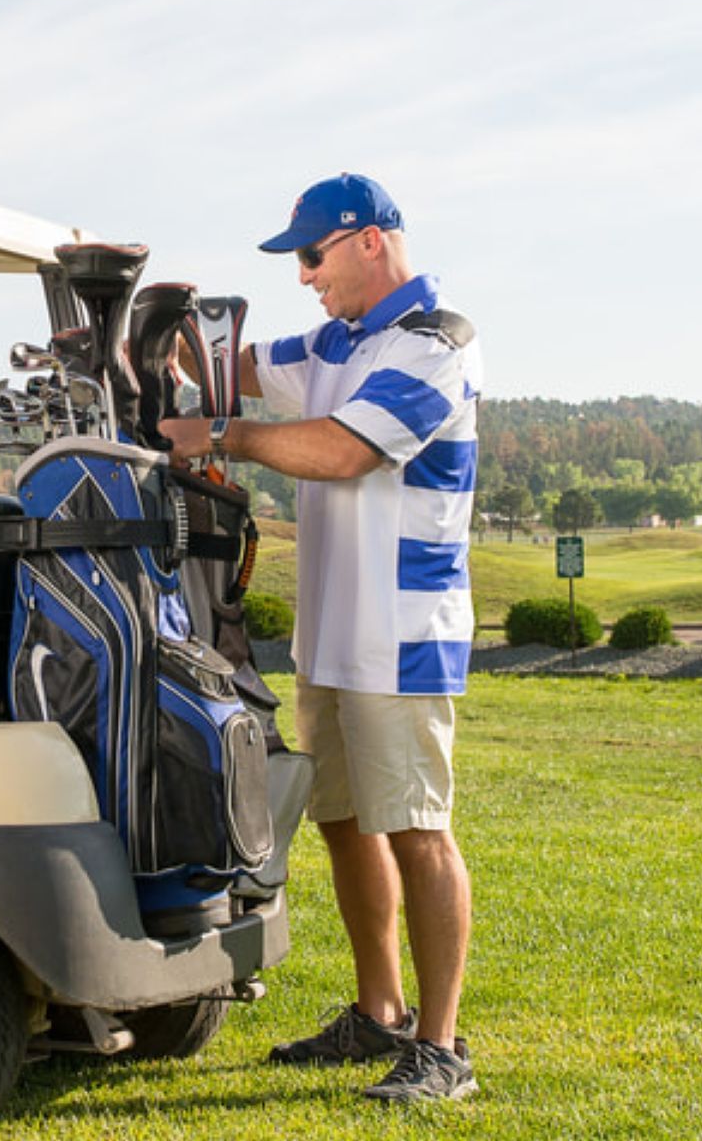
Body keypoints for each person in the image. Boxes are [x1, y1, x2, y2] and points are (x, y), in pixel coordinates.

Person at [158, 173, 483, 1105]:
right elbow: (235, 366)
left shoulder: (435, 345)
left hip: (403, 636)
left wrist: (227, 434)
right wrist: (172, 323)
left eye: (312, 255)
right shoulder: (337, 341)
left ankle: (442, 1045)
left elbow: (345, 450)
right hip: (334, 634)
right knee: (343, 824)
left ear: (370, 241)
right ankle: (378, 1014)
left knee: (417, 831)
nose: (303, 277)